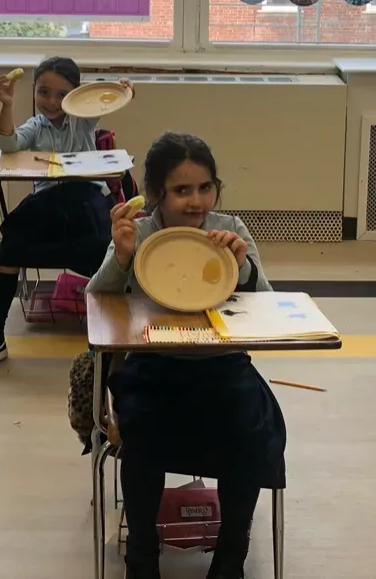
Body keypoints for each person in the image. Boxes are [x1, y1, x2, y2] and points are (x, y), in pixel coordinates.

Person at [86, 132, 284, 579]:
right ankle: (142, 556)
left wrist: (243, 266)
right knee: (143, 435)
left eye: (205, 187)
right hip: (152, 366)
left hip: (222, 364)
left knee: (251, 432)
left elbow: (267, 304)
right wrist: (121, 258)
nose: (196, 201)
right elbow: (97, 302)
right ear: (157, 193)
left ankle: (231, 556)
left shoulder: (230, 231)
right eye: (182, 190)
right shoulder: (139, 232)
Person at [0, 57, 132, 375]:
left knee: (102, 244)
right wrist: (7, 105)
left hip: (86, 200)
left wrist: (120, 90)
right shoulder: (35, 126)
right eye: (43, 92)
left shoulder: (81, 120)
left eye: (61, 94)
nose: (52, 102)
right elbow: (9, 147)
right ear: (34, 92)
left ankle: (116, 340)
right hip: (50, 203)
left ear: (74, 96)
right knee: (9, 245)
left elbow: (100, 102)